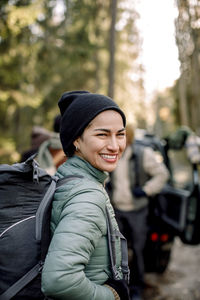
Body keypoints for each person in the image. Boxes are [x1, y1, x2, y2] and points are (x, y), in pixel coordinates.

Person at [41, 91, 130, 300]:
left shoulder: (67, 177)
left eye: (120, 134)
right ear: (76, 141)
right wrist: (112, 296)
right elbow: (59, 280)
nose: (115, 146)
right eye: (102, 134)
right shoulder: (87, 197)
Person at [107, 124, 169, 300]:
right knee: (116, 251)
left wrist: (146, 190)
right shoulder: (112, 154)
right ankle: (119, 288)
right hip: (116, 209)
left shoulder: (144, 154)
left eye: (121, 136)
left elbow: (162, 174)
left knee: (138, 251)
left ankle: (137, 288)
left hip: (137, 210)